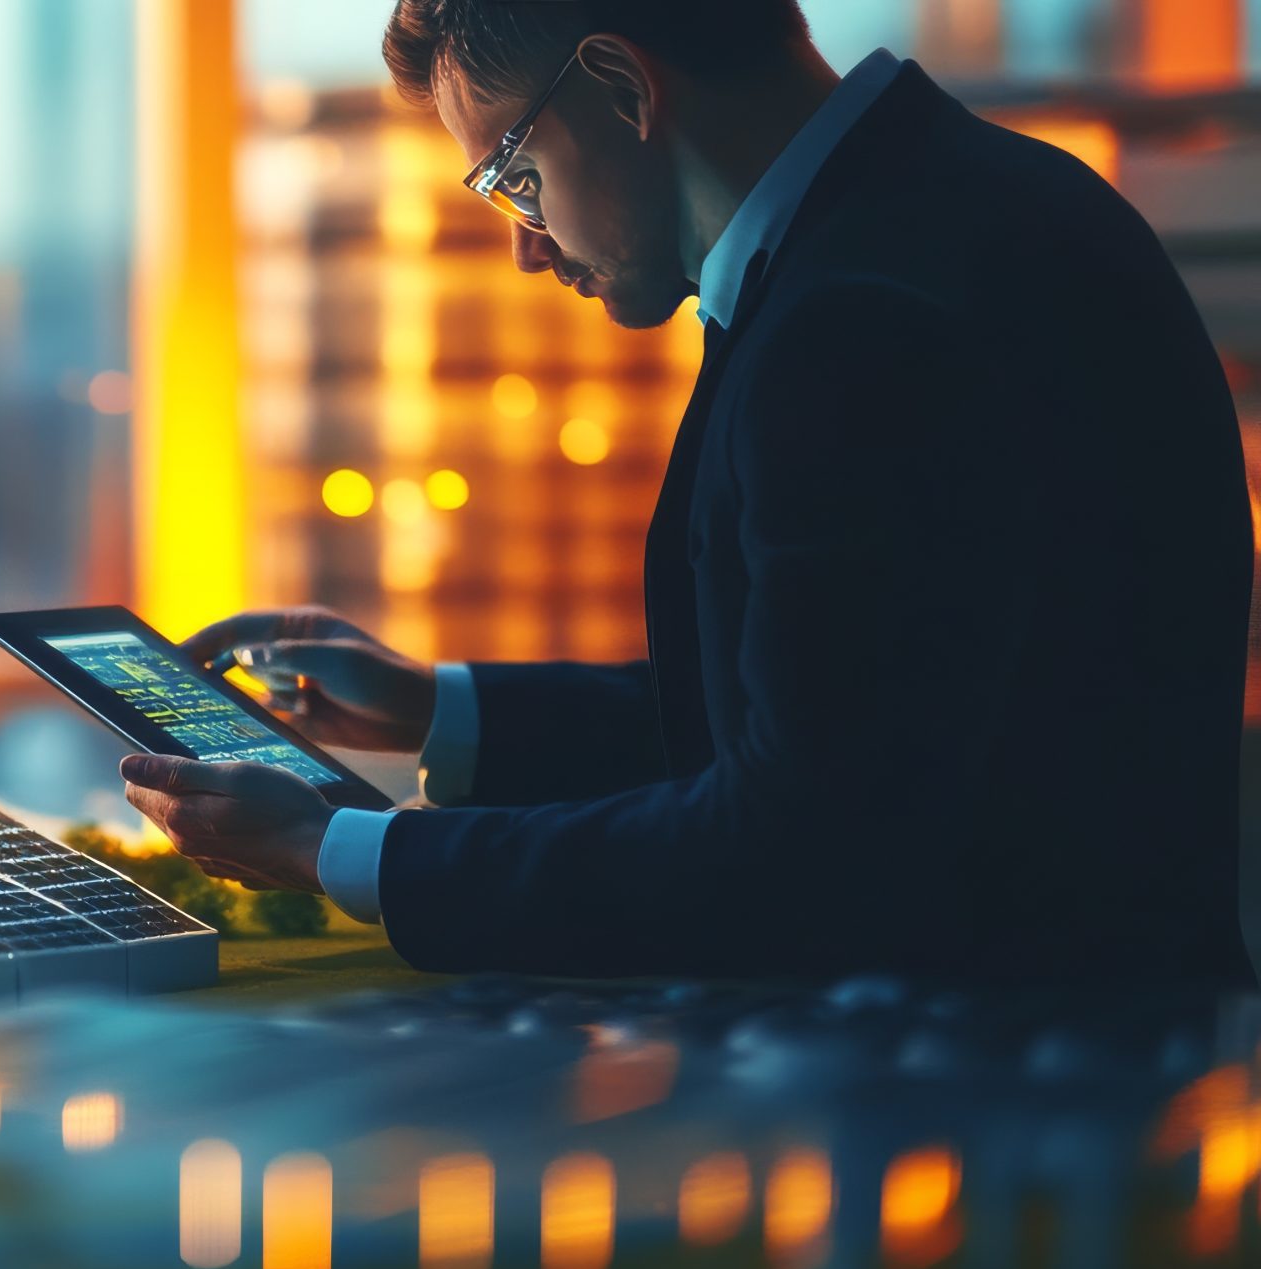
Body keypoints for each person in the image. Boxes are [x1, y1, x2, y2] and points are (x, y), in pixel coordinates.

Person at [121, 0, 1253, 986]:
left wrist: (341, 850)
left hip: (1018, 1097)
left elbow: (797, 838)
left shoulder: (855, 317)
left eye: (515, 174)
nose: (527, 249)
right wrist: (434, 708)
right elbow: (842, 711)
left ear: (619, 84)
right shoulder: (962, 209)